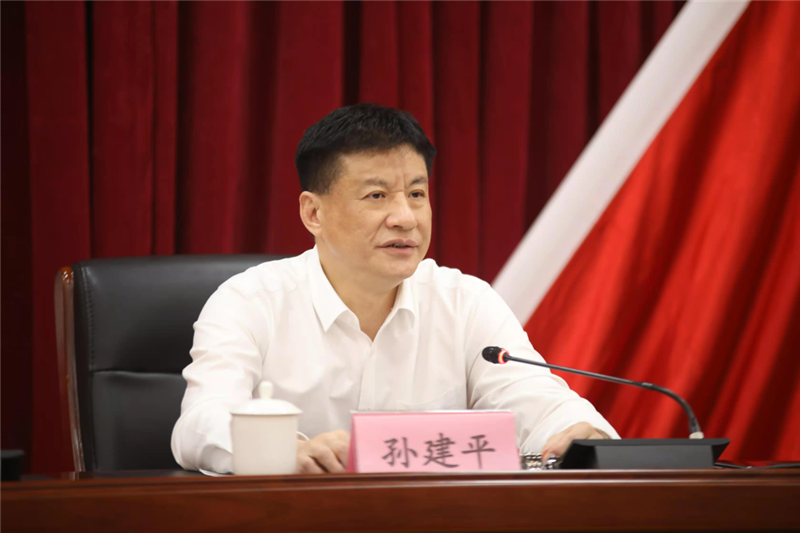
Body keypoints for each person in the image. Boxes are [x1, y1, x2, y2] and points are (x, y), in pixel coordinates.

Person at [171, 103, 618, 474]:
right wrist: (281, 451)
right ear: (313, 213)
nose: (406, 218)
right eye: (377, 196)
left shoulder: (465, 301)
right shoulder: (249, 302)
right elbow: (199, 423)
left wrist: (582, 434)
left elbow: (537, 399)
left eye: (417, 194)